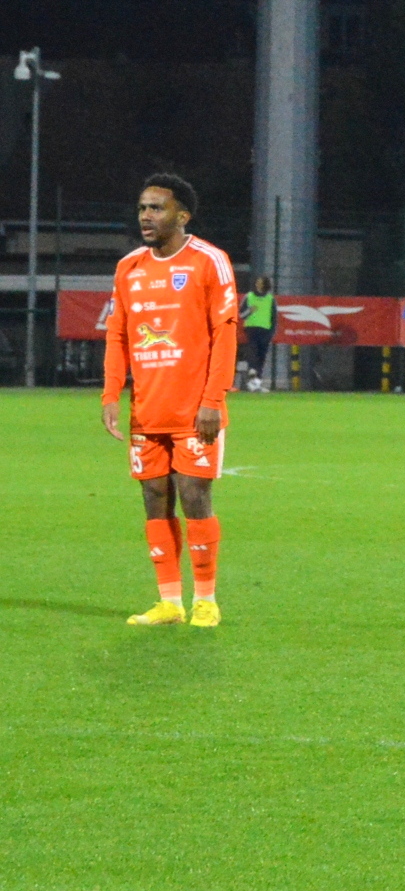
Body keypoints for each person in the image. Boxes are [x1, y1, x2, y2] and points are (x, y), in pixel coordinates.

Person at [101, 174, 240, 627]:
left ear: (183, 215)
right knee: (154, 497)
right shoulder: (129, 267)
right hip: (147, 410)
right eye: (142, 208)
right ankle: (169, 602)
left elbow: (225, 334)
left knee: (194, 495)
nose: (146, 216)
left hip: (195, 409)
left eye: (156, 208)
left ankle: (206, 600)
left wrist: (213, 399)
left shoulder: (209, 261)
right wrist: (110, 393)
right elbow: (118, 334)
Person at [239, 274, 276, 392]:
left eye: (260, 282)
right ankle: (252, 374)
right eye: (257, 282)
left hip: (265, 330)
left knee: (262, 356)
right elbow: (241, 314)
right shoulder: (249, 296)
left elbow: (274, 317)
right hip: (252, 329)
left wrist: (272, 331)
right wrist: (250, 310)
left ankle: (256, 383)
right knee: (253, 353)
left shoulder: (270, 299)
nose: (258, 284)